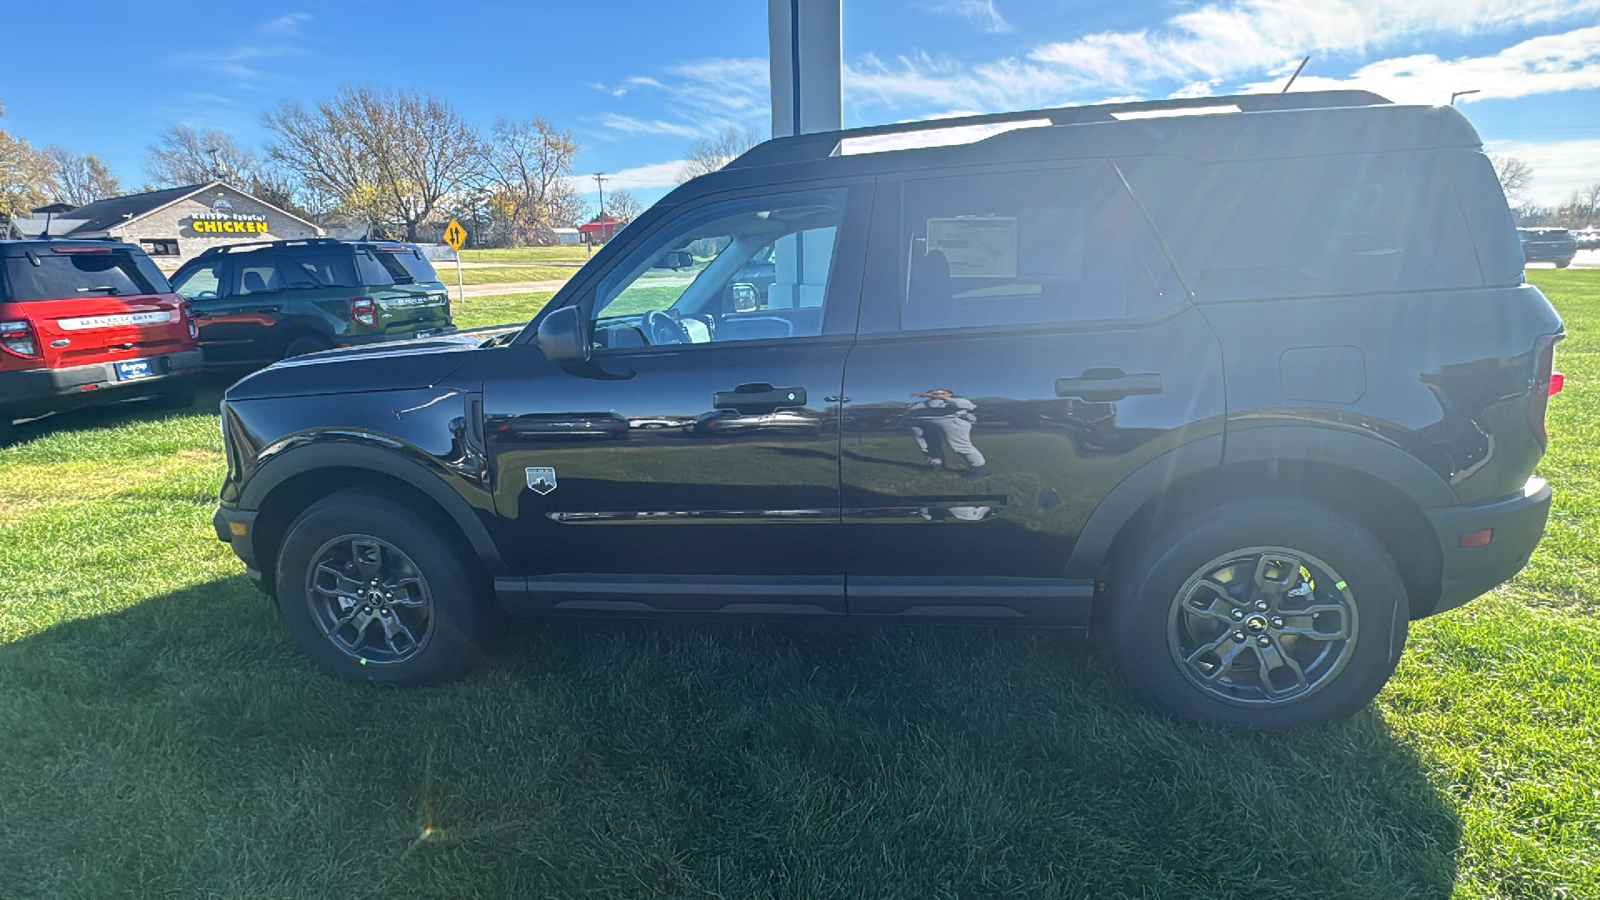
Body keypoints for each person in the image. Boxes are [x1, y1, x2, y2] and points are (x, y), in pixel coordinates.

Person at [904, 388, 989, 479]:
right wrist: (902, 423)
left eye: (941, 393)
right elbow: (909, 414)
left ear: (950, 394)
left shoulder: (954, 402)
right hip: (922, 424)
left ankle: (979, 468)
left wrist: (945, 398)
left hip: (951, 422)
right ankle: (936, 464)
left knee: (960, 445)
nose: (936, 395)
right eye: (933, 393)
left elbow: (967, 405)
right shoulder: (921, 404)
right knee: (928, 444)